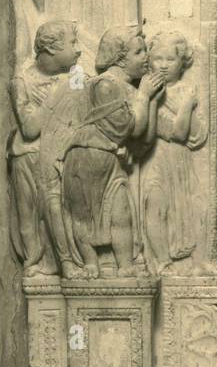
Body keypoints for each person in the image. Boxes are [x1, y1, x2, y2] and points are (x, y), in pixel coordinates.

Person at [60, 27, 163, 276]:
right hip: (87, 155)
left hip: (105, 157)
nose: (146, 56)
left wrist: (151, 101)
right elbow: (133, 128)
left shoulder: (127, 88)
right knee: (85, 212)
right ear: (120, 57)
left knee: (120, 210)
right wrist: (145, 95)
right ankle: (90, 264)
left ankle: (125, 267)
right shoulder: (105, 84)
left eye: (146, 50)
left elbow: (146, 137)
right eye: (139, 51)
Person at [8, 20, 81, 276]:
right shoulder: (22, 81)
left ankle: (64, 261)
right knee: (30, 214)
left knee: (61, 210)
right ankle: (34, 262)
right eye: (72, 43)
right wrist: (56, 95)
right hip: (30, 155)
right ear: (51, 49)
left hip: (62, 156)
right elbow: (29, 129)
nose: (79, 49)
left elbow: (84, 114)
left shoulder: (76, 77)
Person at [140, 32, 207, 273]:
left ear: (183, 62)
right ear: (149, 61)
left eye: (170, 59)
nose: (164, 65)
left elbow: (197, 135)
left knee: (183, 208)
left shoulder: (186, 89)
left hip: (179, 161)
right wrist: (187, 106)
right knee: (155, 204)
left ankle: (182, 258)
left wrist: (186, 107)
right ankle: (161, 260)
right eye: (158, 58)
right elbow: (178, 133)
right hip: (155, 158)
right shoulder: (147, 92)